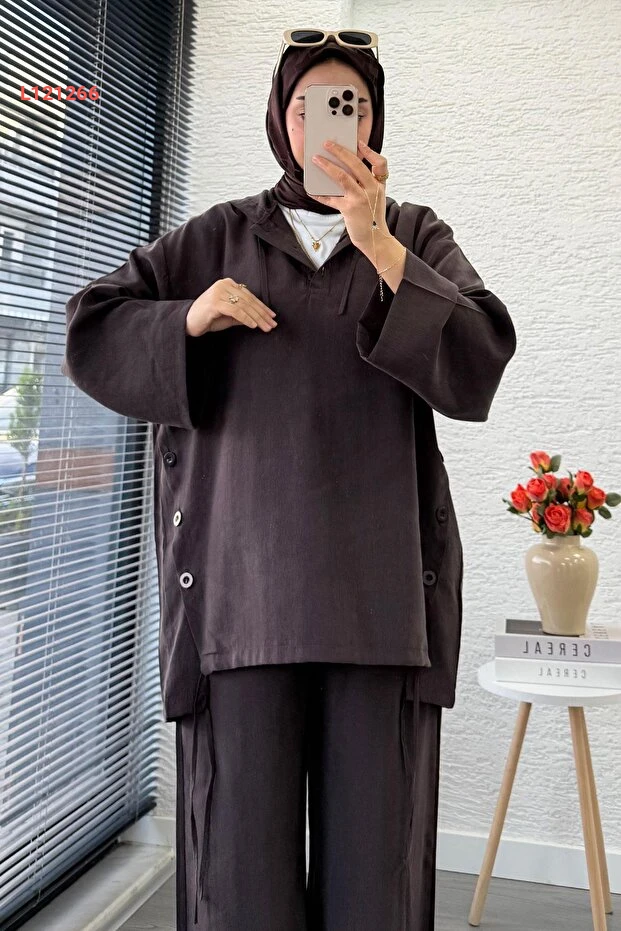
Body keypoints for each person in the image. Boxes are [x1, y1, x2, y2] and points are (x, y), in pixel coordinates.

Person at [61, 29, 517, 931]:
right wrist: (188, 318)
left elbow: (480, 360)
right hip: (241, 605)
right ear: (280, 117)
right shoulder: (217, 237)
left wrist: (382, 249)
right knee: (240, 886)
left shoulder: (413, 234)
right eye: (310, 106)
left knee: (372, 888)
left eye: (351, 105)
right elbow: (92, 328)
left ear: (374, 121)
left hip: (381, 607)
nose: (329, 125)